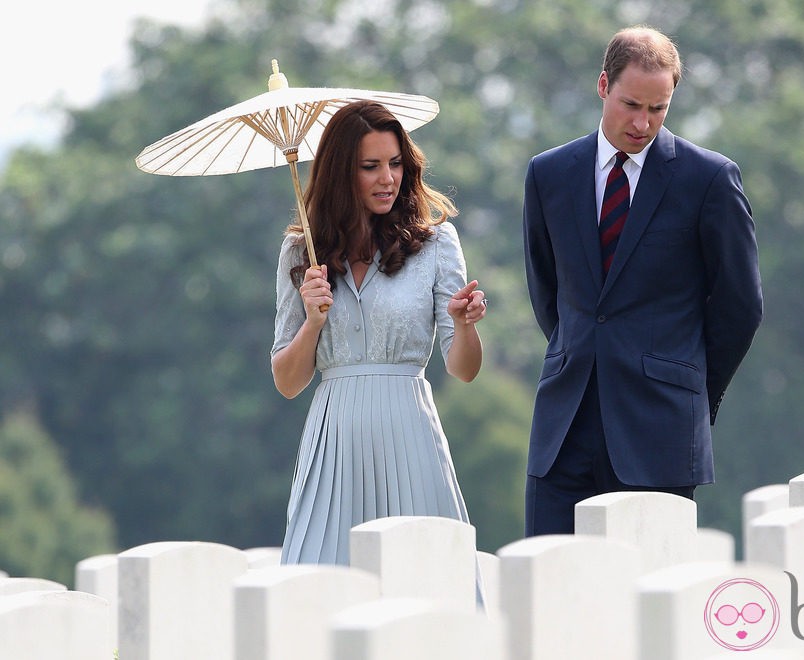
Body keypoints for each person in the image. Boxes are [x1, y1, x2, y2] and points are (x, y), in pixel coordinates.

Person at [522, 25, 763, 535]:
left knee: (648, 603)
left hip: (662, 429)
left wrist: (692, 387)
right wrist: (581, 353)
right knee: (549, 595)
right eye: (632, 104)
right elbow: (549, 292)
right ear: (603, 85)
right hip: (563, 428)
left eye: (658, 109)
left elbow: (740, 307)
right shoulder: (548, 174)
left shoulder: (710, 180)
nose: (643, 123)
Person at [271, 100, 487, 565]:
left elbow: (464, 370)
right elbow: (287, 383)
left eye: (395, 164)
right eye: (371, 167)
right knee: (318, 580)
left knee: (428, 576)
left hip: (410, 431)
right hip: (335, 440)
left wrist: (465, 325)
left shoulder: (436, 244)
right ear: (340, 174)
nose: (388, 178)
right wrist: (313, 321)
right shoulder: (300, 252)